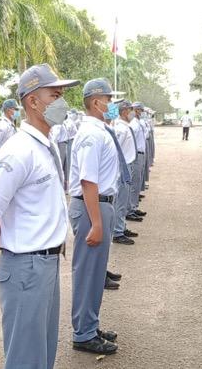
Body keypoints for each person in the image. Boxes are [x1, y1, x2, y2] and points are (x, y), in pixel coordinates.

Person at [0, 64, 79, 369]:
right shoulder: (18, 150)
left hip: (45, 263)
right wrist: (3, 240)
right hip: (27, 266)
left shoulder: (44, 144)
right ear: (33, 101)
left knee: (42, 355)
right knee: (26, 359)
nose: (62, 102)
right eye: (55, 95)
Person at [68, 78, 122, 355]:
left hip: (99, 206)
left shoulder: (99, 130)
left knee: (95, 272)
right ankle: (83, 333)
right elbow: (88, 180)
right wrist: (97, 223)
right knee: (88, 273)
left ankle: (89, 324)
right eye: (109, 100)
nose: (112, 105)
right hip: (93, 207)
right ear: (97, 102)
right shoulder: (91, 134)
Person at [112, 99, 140, 245]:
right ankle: (117, 231)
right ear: (124, 111)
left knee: (124, 198)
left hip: (127, 165)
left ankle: (121, 226)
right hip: (122, 167)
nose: (132, 113)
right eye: (130, 110)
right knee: (121, 200)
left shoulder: (125, 127)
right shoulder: (120, 129)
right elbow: (116, 151)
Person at [127, 102, 148, 222]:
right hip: (136, 154)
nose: (141, 112)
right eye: (140, 110)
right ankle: (130, 209)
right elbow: (132, 140)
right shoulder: (134, 124)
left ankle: (134, 207)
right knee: (134, 183)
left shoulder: (137, 122)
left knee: (137, 181)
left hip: (140, 154)